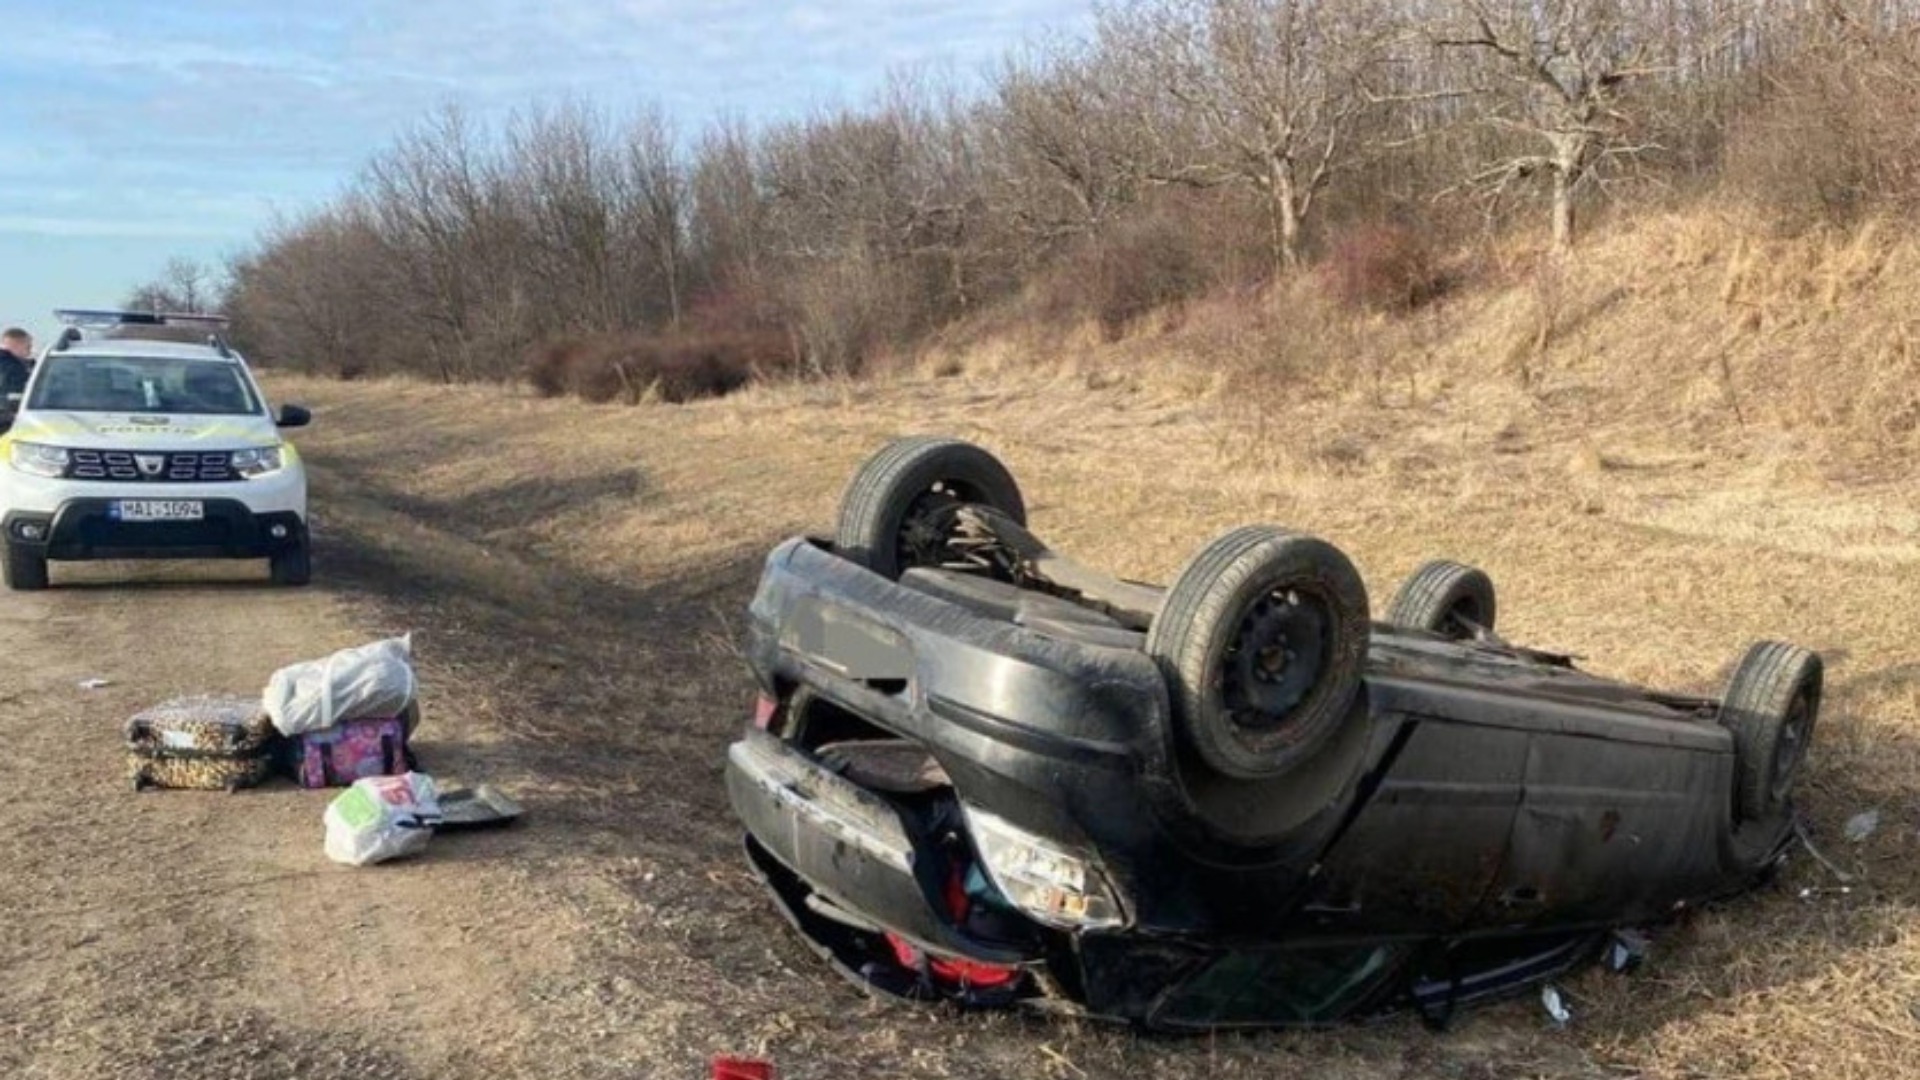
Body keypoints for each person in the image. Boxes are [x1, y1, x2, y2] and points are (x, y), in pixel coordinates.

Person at [0, 327, 31, 408]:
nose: (30, 352)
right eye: (28, 347)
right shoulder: (12, 367)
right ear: (16, 345)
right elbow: (14, 394)